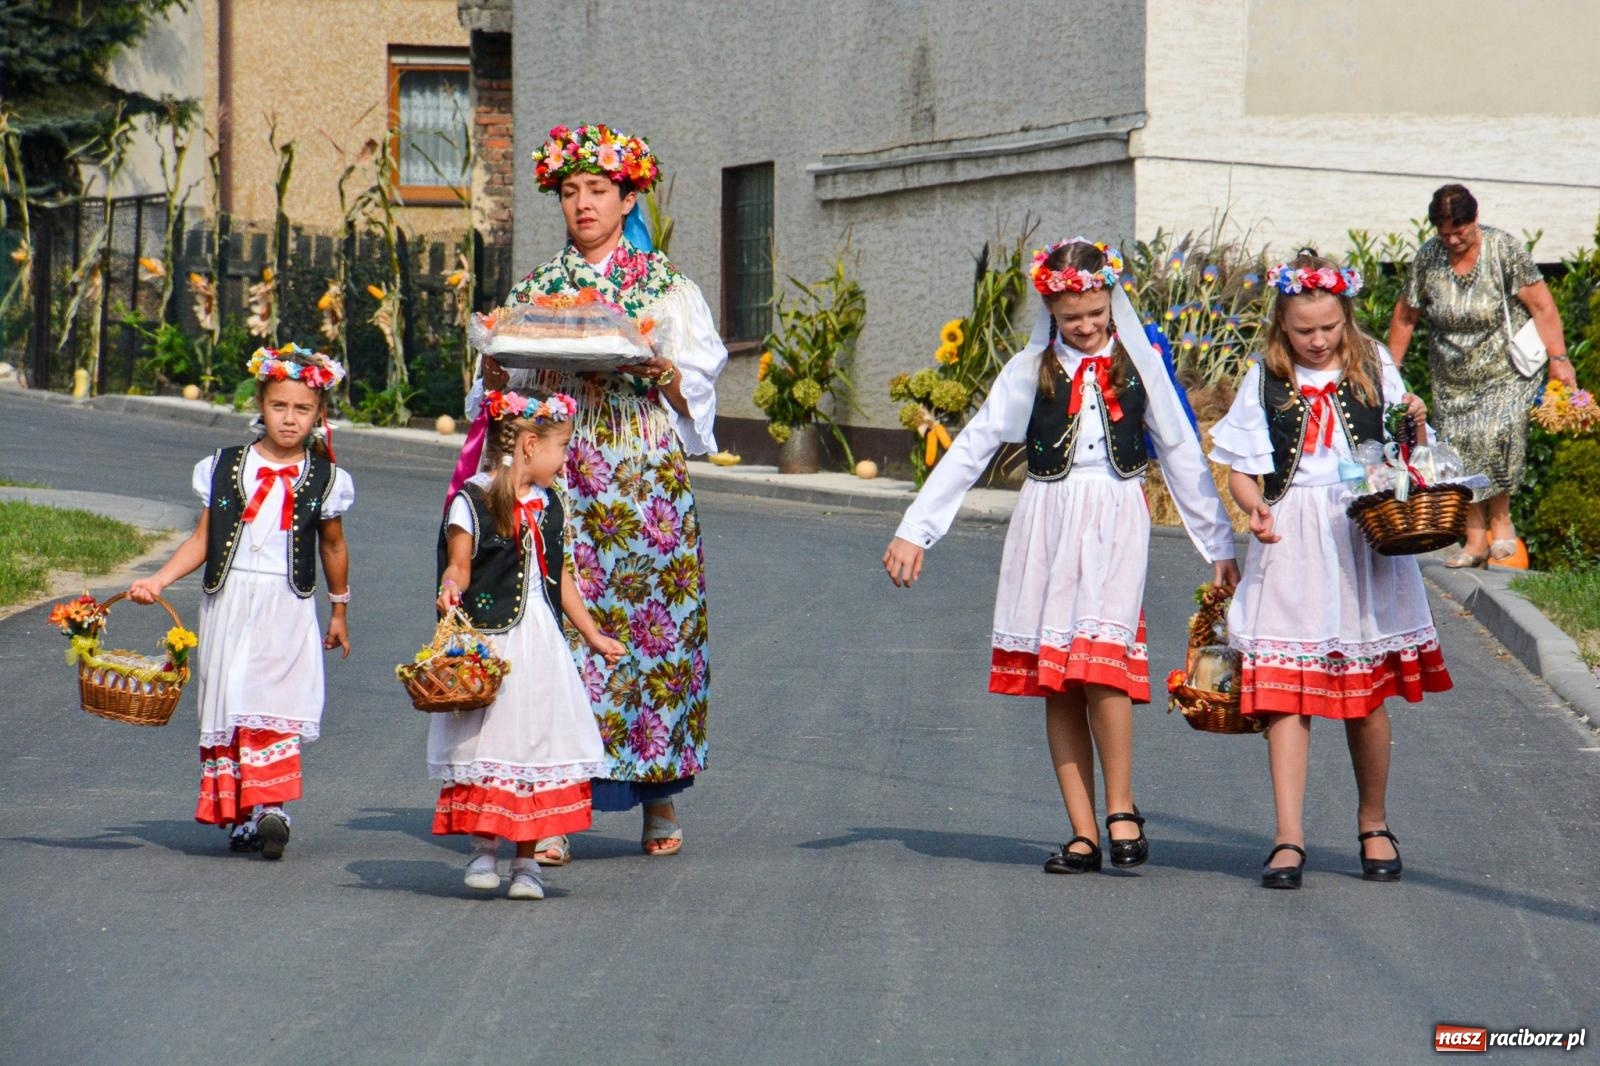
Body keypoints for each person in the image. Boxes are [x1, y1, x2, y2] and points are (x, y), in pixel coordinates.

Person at [883, 238, 1240, 875]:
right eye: (1072, 316)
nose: (1085, 325)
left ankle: (1122, 808)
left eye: (1096, 313)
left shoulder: (1138, 366)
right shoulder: (1031, 370)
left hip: (1115, 520)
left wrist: (1216, 545)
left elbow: (1182, 452)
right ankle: (1082, 831)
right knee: (1061, 679)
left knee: (1102, 665)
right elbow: (973, 446)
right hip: (1047, 523)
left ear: (1111, 301)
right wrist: (917, 527)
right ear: (1051, 308)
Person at [460, 123, 726, 862]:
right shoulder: (538, 290)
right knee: (551, 633)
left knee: (652, 628)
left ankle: (659, 793)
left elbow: (695, 383)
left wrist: (657, 369)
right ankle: (551, 807)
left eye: (598, 191)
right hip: (559, 474)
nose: (584, 204)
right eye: (571, 192)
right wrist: (492, 374)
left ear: (627, 195)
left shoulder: (664, 287)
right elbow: (507, 385)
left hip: (640, 475)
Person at [1212, 252, 1453, 890]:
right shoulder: (1263, 379)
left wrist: (1416, 423)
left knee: (1363, 694)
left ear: (1345, 317)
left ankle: (1373, 821)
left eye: (1328, 328)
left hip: (1362, 533)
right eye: (1304, 330)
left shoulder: (1375, 362)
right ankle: (1288, 836)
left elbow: (1410, 454)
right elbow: (1240, 467)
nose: (1318, 341)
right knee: (1287, 694)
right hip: (1292, 536)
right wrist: (1254, 506)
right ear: (1282, 327)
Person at [129, 344, 353, 860]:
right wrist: (158, 580)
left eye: (302, 409)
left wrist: (339, 608)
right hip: (230, 599)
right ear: (261, 403)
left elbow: (333, 546)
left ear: (320, 414)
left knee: (272, 698)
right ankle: (248, 814)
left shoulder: (325, 479)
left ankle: (272, 806)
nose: (290, 418)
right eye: (280, 406)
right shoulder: (225, 466)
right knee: (231, 698)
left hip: (286, 603)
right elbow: (203, 539)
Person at [433, 389, 623, 899]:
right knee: (488, 742)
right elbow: (459, 562)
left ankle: (526, 863)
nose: (566, 461)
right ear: (529, 445)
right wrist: (451, 585)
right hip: (492, 642)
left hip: (540, 642)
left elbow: (559, 576)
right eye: (562, 448)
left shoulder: (551, 503)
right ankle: (483, 849)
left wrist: (592, 634)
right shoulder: (471, 499)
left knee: (536, 743)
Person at [1387, 183, 1576, 569]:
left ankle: (1501, 522)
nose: (1454, 240)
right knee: (1458, 450)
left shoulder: (1503, 249)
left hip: (1505, 369)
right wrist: (1390, 370)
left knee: (1496, 435)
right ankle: (1474, 538)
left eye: (1461, 231)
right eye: (1446, 234)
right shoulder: (1428, 259)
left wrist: (1559, 358)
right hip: (1451, 374)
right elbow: (1406, 315)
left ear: (1476, 219)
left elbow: (1542, 306)